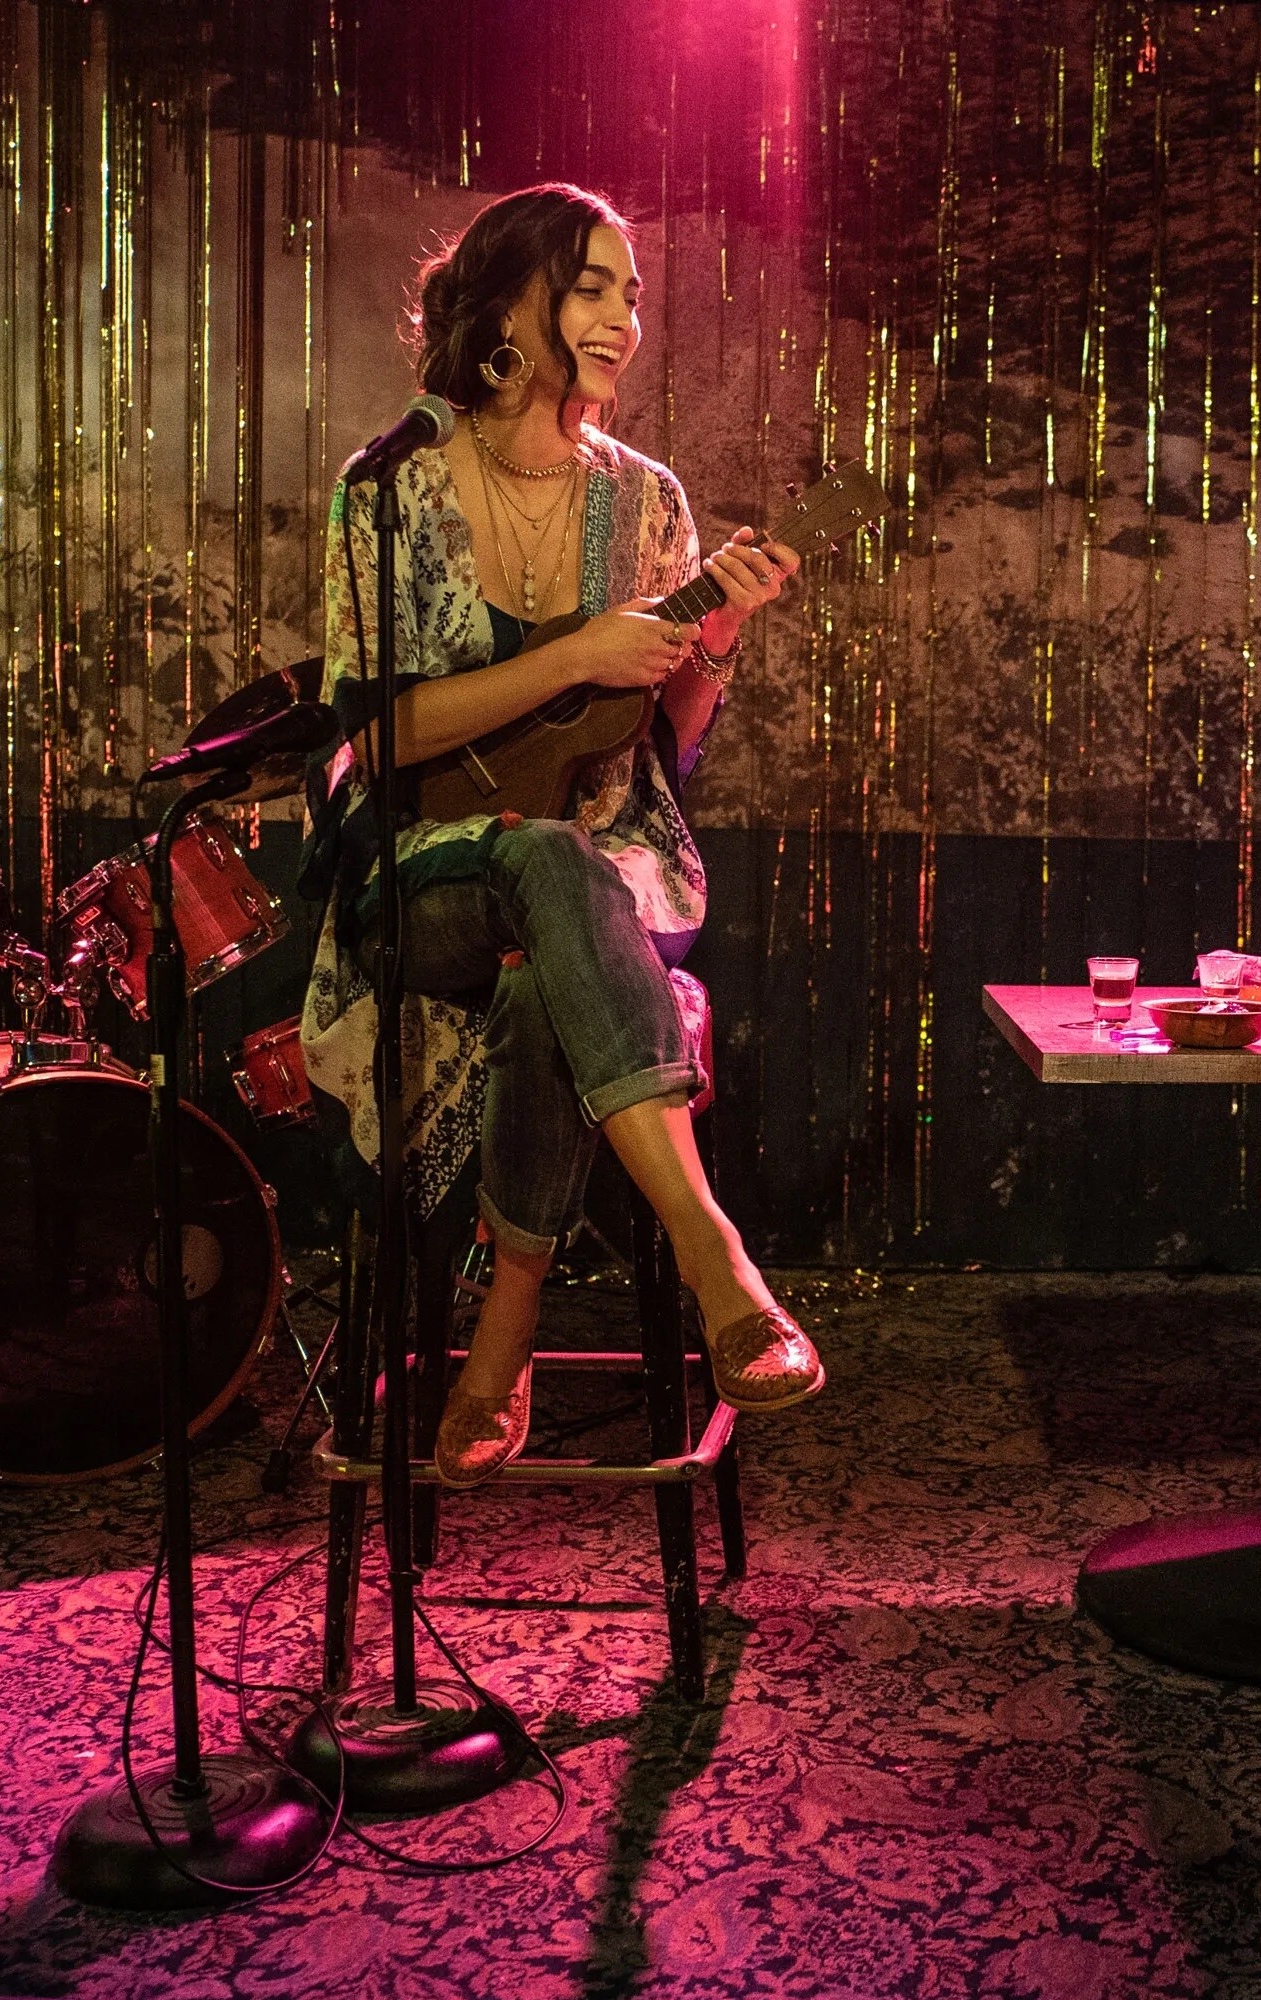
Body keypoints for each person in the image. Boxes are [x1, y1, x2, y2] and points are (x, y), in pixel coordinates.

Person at [297, 181, 823, 1486]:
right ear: (506, 303)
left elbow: (662, 751)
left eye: (631, 296)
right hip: (423, 876)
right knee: (542, 860)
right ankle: (717, 1256)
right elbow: (380, 737)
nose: (623, 320)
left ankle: (502, 1336)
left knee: (554, 945)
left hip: (596, 874)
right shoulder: (390, 486)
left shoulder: (649, 503)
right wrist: (575, 652)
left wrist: (713, 641)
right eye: (592, 289)